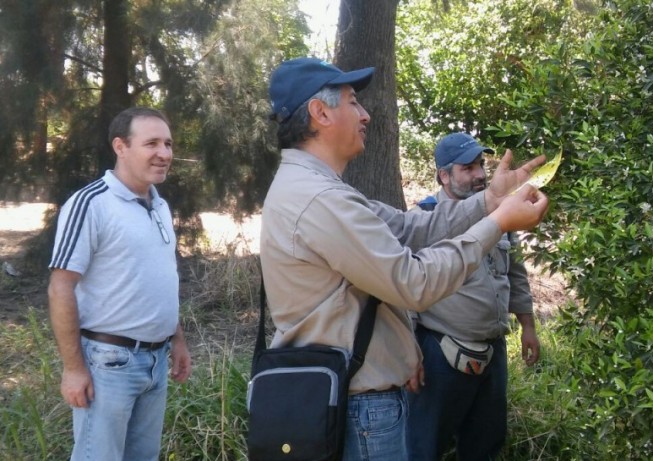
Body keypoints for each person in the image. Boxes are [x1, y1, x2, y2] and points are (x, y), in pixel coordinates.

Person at [260, 57, 549, 461]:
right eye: (353, 102)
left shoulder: (317, 189)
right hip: (361, 408)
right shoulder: (319, 199)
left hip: (353, 397)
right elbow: (412, 282)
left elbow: (411, 229)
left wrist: (489, 201)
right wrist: (498, 223)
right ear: (320, 112)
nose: (365, 114)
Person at [47, 107, 192, 461]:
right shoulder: (90, 204)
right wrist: (73, 369)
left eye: (168, 144)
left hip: (156, 362)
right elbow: (60, 287)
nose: (164, 153)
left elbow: (158, 278)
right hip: (108, 364)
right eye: (152, 143)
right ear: (120, 147)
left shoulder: (160, 206)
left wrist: (177, 339)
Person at [408, 132, 541, 461]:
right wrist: (408, 352)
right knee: (425, 446)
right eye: (468, 168)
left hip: (493, 352)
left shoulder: (501, 215)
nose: (480, 174)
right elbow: (402, 290)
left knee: (485, 444)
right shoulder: (423, 220)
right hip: (438, 354)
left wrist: (528, 326)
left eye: (481, 165)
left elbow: (515, 272)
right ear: (444, 176)